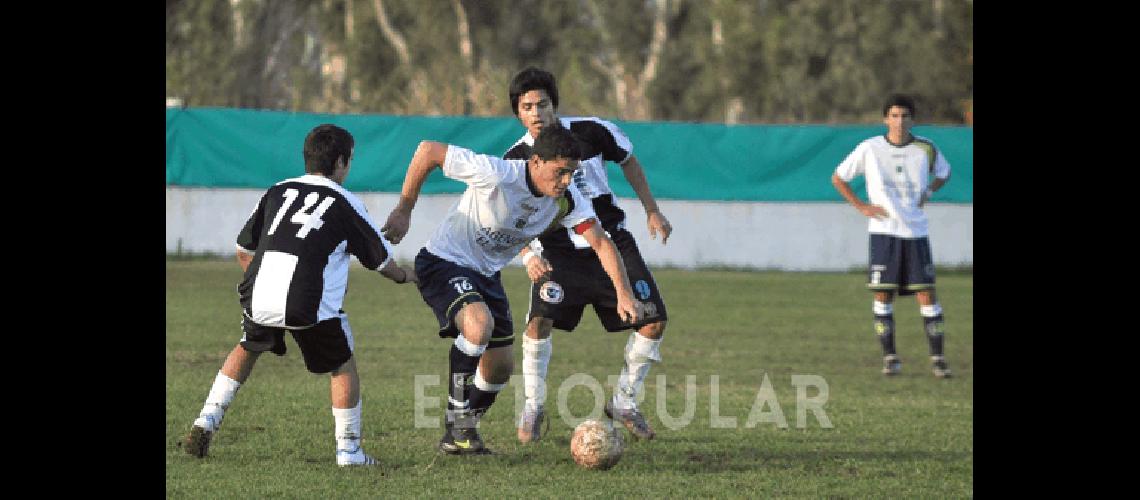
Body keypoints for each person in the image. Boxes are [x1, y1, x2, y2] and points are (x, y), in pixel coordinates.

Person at [380, 124, 644, 455]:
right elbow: (428, 150)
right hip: (444, 261)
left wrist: (623, 293)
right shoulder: (498, 173)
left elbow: (601, 243)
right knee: (478, 326)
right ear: (535, 162)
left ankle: (465, 431)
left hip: (487, 274)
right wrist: (404, 209)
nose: (565, 181)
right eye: (559, 172)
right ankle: (455, 423)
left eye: (571, 173)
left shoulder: (567, 201)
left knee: (501, 366)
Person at [180, 124, 418, 467]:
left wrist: (263, 282)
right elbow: (381, 263)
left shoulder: (278, 190)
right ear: (340, 162)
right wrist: (409, 276)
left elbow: (243, 249)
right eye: (349, 161)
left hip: (259, 293)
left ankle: (205, 422)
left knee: (247, 347)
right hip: (307, 301)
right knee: (342, 363)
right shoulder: (346, 202)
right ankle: (349, 452)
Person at [502, 67, 672, 443]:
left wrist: (651, 209)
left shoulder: (593, 131)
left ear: (554, 105)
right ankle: (533, 405)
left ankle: (624, 401)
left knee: (653, 321)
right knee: (539, 323)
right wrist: (529, 254)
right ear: (518, 112)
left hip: (611, 240)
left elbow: (628, 160)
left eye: (541, 104)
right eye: (526, 106)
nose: (535, 113)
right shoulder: (516, 158)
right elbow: (511, 217)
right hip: (558, 251)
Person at [831, 94, 953, 379]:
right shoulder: (870, 148)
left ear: (913, 119)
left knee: (926, 294)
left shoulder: (926, 149)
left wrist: (929, 191)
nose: (899, 122)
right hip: (883, 233)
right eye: (894, 115)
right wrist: (861, 206)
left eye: (905, 116)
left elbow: (944, 173)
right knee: (883, 295)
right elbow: (838, 177)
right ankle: (890, 358)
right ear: (886, 118)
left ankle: (938, 359)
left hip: (916, 232)